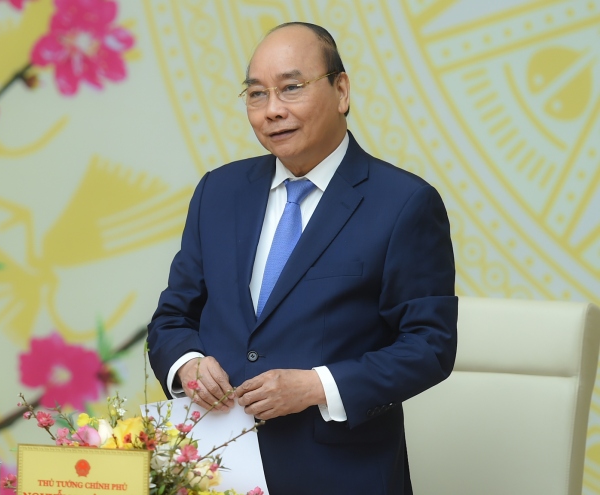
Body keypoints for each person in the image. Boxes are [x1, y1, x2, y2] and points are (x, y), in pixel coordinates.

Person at [147, 22, 457, 494]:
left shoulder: (404, 203)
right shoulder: (218, 192)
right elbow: (172, 318)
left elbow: (429, 345)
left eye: (291, 88)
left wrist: (317, 386)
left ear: (341, 91)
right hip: (214, 472)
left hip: (340, 475)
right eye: (257, 94)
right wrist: (187, 364)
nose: (273, 110)